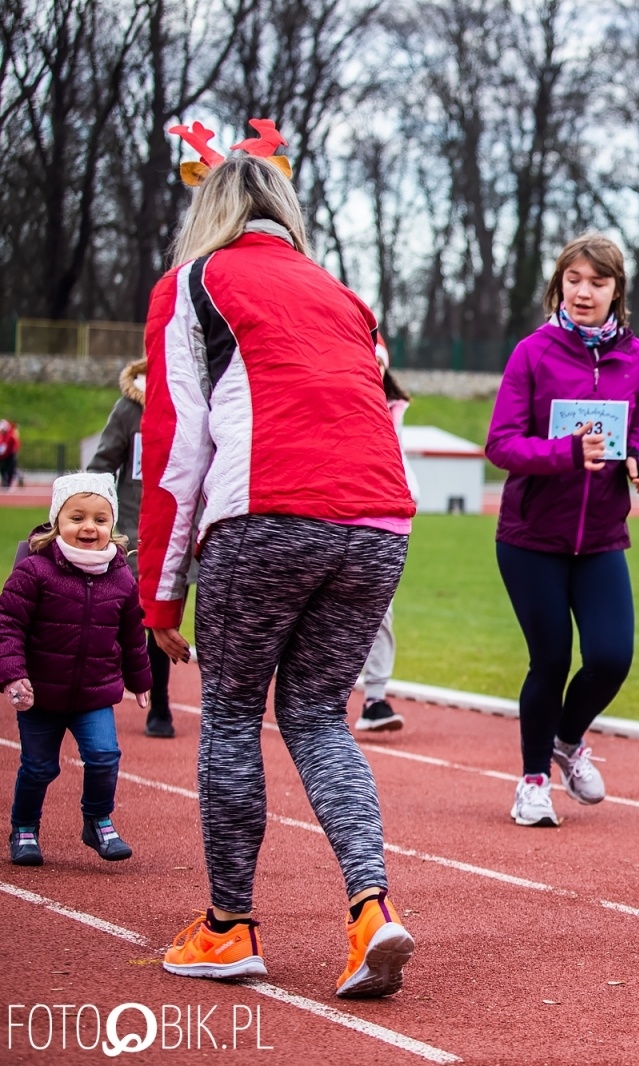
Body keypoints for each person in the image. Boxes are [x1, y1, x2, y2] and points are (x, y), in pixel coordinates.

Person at [141, 137, 417, 998]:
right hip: (378, 520)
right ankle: (371, 910)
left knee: (230, 716)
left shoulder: (191, 283)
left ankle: (229, 927)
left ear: (209, 212)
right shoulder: (345, 296)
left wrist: (160, 593)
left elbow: (177, 444)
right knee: (320, 718)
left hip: (265, 512)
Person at [485, 232, 639, 828]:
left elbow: (638, 428)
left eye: (598, 282)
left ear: (616, 291)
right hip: (531, 537)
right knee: (551, 659)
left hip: (602, 536)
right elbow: (501, 444)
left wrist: (638, 460)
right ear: (558, 284)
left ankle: (566, 738)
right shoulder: (532, 353)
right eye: (574, 280)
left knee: (611, 657)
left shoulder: (637, 357)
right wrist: (565, 453)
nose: (584, 292)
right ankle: (533, 781)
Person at [3, 473, 151, 866]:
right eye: (77, 517)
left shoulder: (120, 577)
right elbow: (8, 625)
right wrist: (14, 674)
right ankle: (24, 828)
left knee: (104, 756)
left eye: (100, 520)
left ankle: (98, 820)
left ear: (112, 525)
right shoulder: (35, 570)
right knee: (39, 767)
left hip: (93, 694)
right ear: (57, 521)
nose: (89, 527)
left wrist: (140, 679)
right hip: (41, 694)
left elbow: (132, 634)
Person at [88, 357, 181, 738]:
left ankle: (159, 705)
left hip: (179, 532)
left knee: (164, 620)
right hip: (133, 534)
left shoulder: (197, 406)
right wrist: (97, 519)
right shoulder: (130, 409)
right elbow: (101, 466)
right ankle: (93, 695)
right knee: (121, 617)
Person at [354, 362, 420, 733]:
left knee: (382, 611)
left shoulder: (394, 408)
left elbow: (400, 459)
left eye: (379, 361)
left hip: (384, 520)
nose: (373, 366)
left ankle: (375, 699)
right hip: (335, 514)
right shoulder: (334, 394)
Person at [0, 420, 20, 489]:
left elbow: (14, 444)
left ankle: (8, 483)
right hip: (3, 455)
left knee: (10, 469)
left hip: (10, 454)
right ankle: (5, 481)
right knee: (3, 468)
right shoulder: (2, 436)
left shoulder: (11, 435)